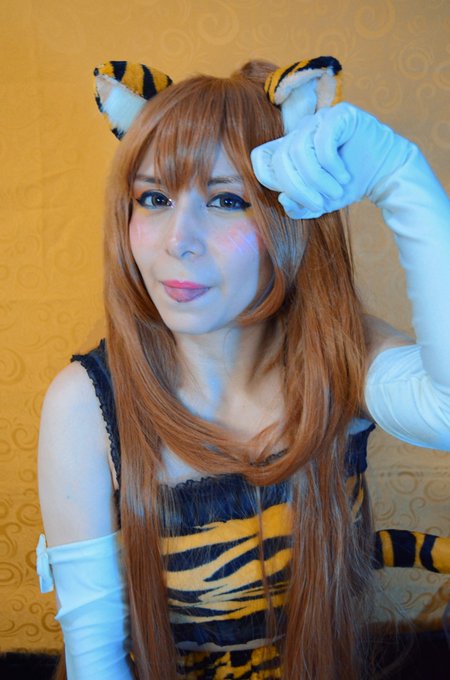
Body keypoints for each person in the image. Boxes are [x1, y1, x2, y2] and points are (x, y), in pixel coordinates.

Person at [36, 57, 450, 680]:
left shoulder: (338, 354)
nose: (178, 239)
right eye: (154, 198)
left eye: (227, 199)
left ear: (290, 216)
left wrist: (401, 176)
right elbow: (95, 659)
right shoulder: (86, 406)